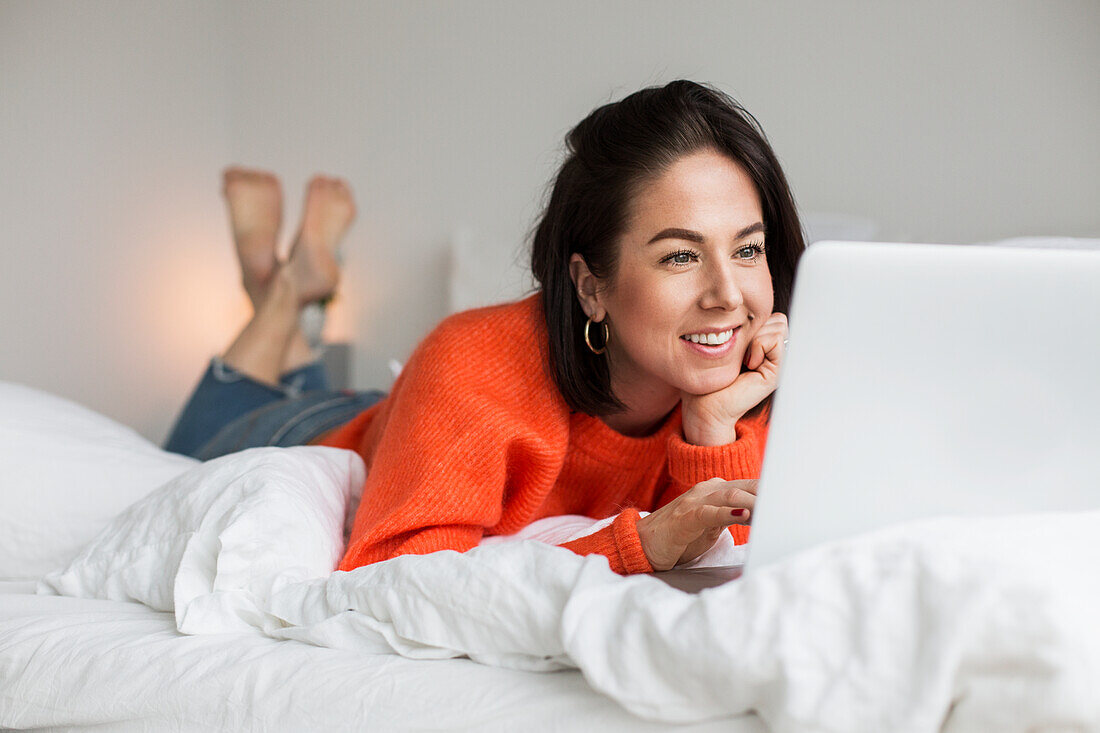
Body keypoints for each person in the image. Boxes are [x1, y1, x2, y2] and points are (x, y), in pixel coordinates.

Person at [165, 80, 804, 575]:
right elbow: (394, 572)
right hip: (318, 430)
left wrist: (716, 428)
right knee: (186, 444)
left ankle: (289, 293)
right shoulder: (472, 362)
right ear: (591, 286)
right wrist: (636, 546)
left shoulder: (747, 375)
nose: (728, 297)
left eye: (748, 250)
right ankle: (280, 298)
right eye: (681, 256)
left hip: (414, 423)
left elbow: (744, 578)